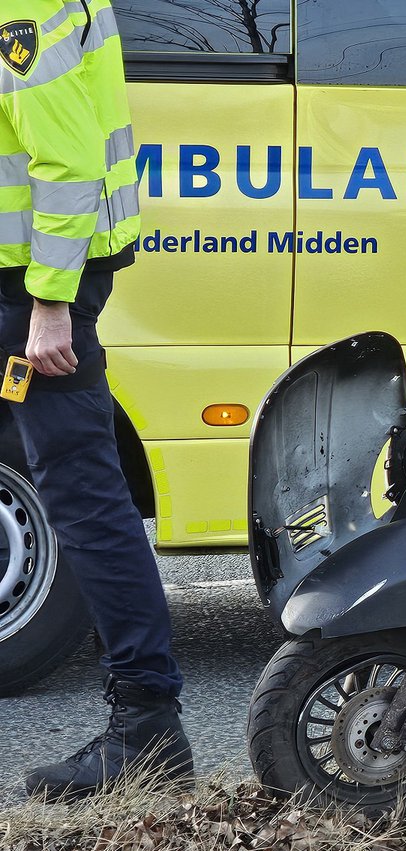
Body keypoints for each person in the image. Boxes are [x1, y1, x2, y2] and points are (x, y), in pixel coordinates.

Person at [0, 0, 191, 801]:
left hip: (37, 291)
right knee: (79, 488)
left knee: (81, 493)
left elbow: (70, 165)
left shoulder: (24, 10)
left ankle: (147, 722)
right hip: (29, 282)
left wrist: (50, 301)